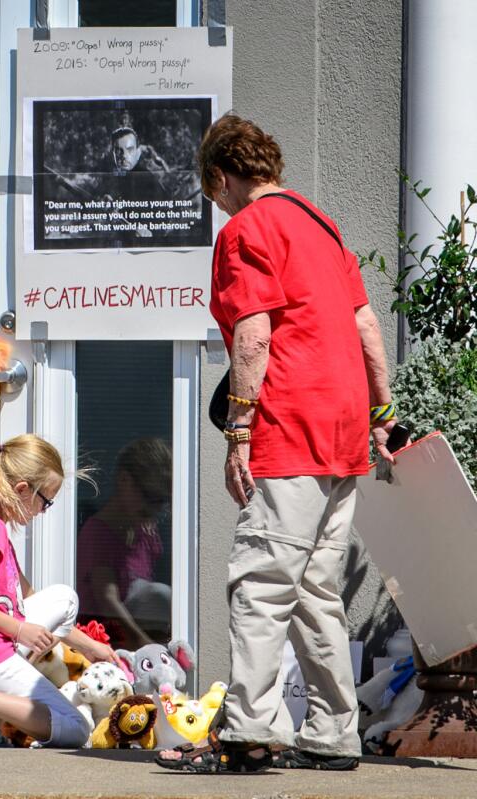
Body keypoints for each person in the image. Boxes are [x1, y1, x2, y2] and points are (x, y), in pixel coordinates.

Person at [157, 114, 399, 773]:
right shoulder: (322, 224)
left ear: (221, 177)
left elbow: (253, 334)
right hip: (345, 425)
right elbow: (366, 325)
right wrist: (381, 410)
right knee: (317, 582)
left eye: (214, 194)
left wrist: (239, 431)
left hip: (289, 424)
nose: (218, 207)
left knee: (262, 580)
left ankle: (250, 730)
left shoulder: (246, 229)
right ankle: (332, 729)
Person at [0, 434, 118, 750]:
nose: (43, 511)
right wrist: (19, 630)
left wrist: (88, 647)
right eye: (46, 500)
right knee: (76, 730)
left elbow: (33, 604)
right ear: (21, 490)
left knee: (64, 598)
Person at [76, 437, 173, 650]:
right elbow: (107, 599)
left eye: (161, 502)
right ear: (124, 480)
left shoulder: (146, 534)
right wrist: (143, 643)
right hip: (104, 641)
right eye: (148, 496)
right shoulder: (98, 533)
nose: (153, 509)